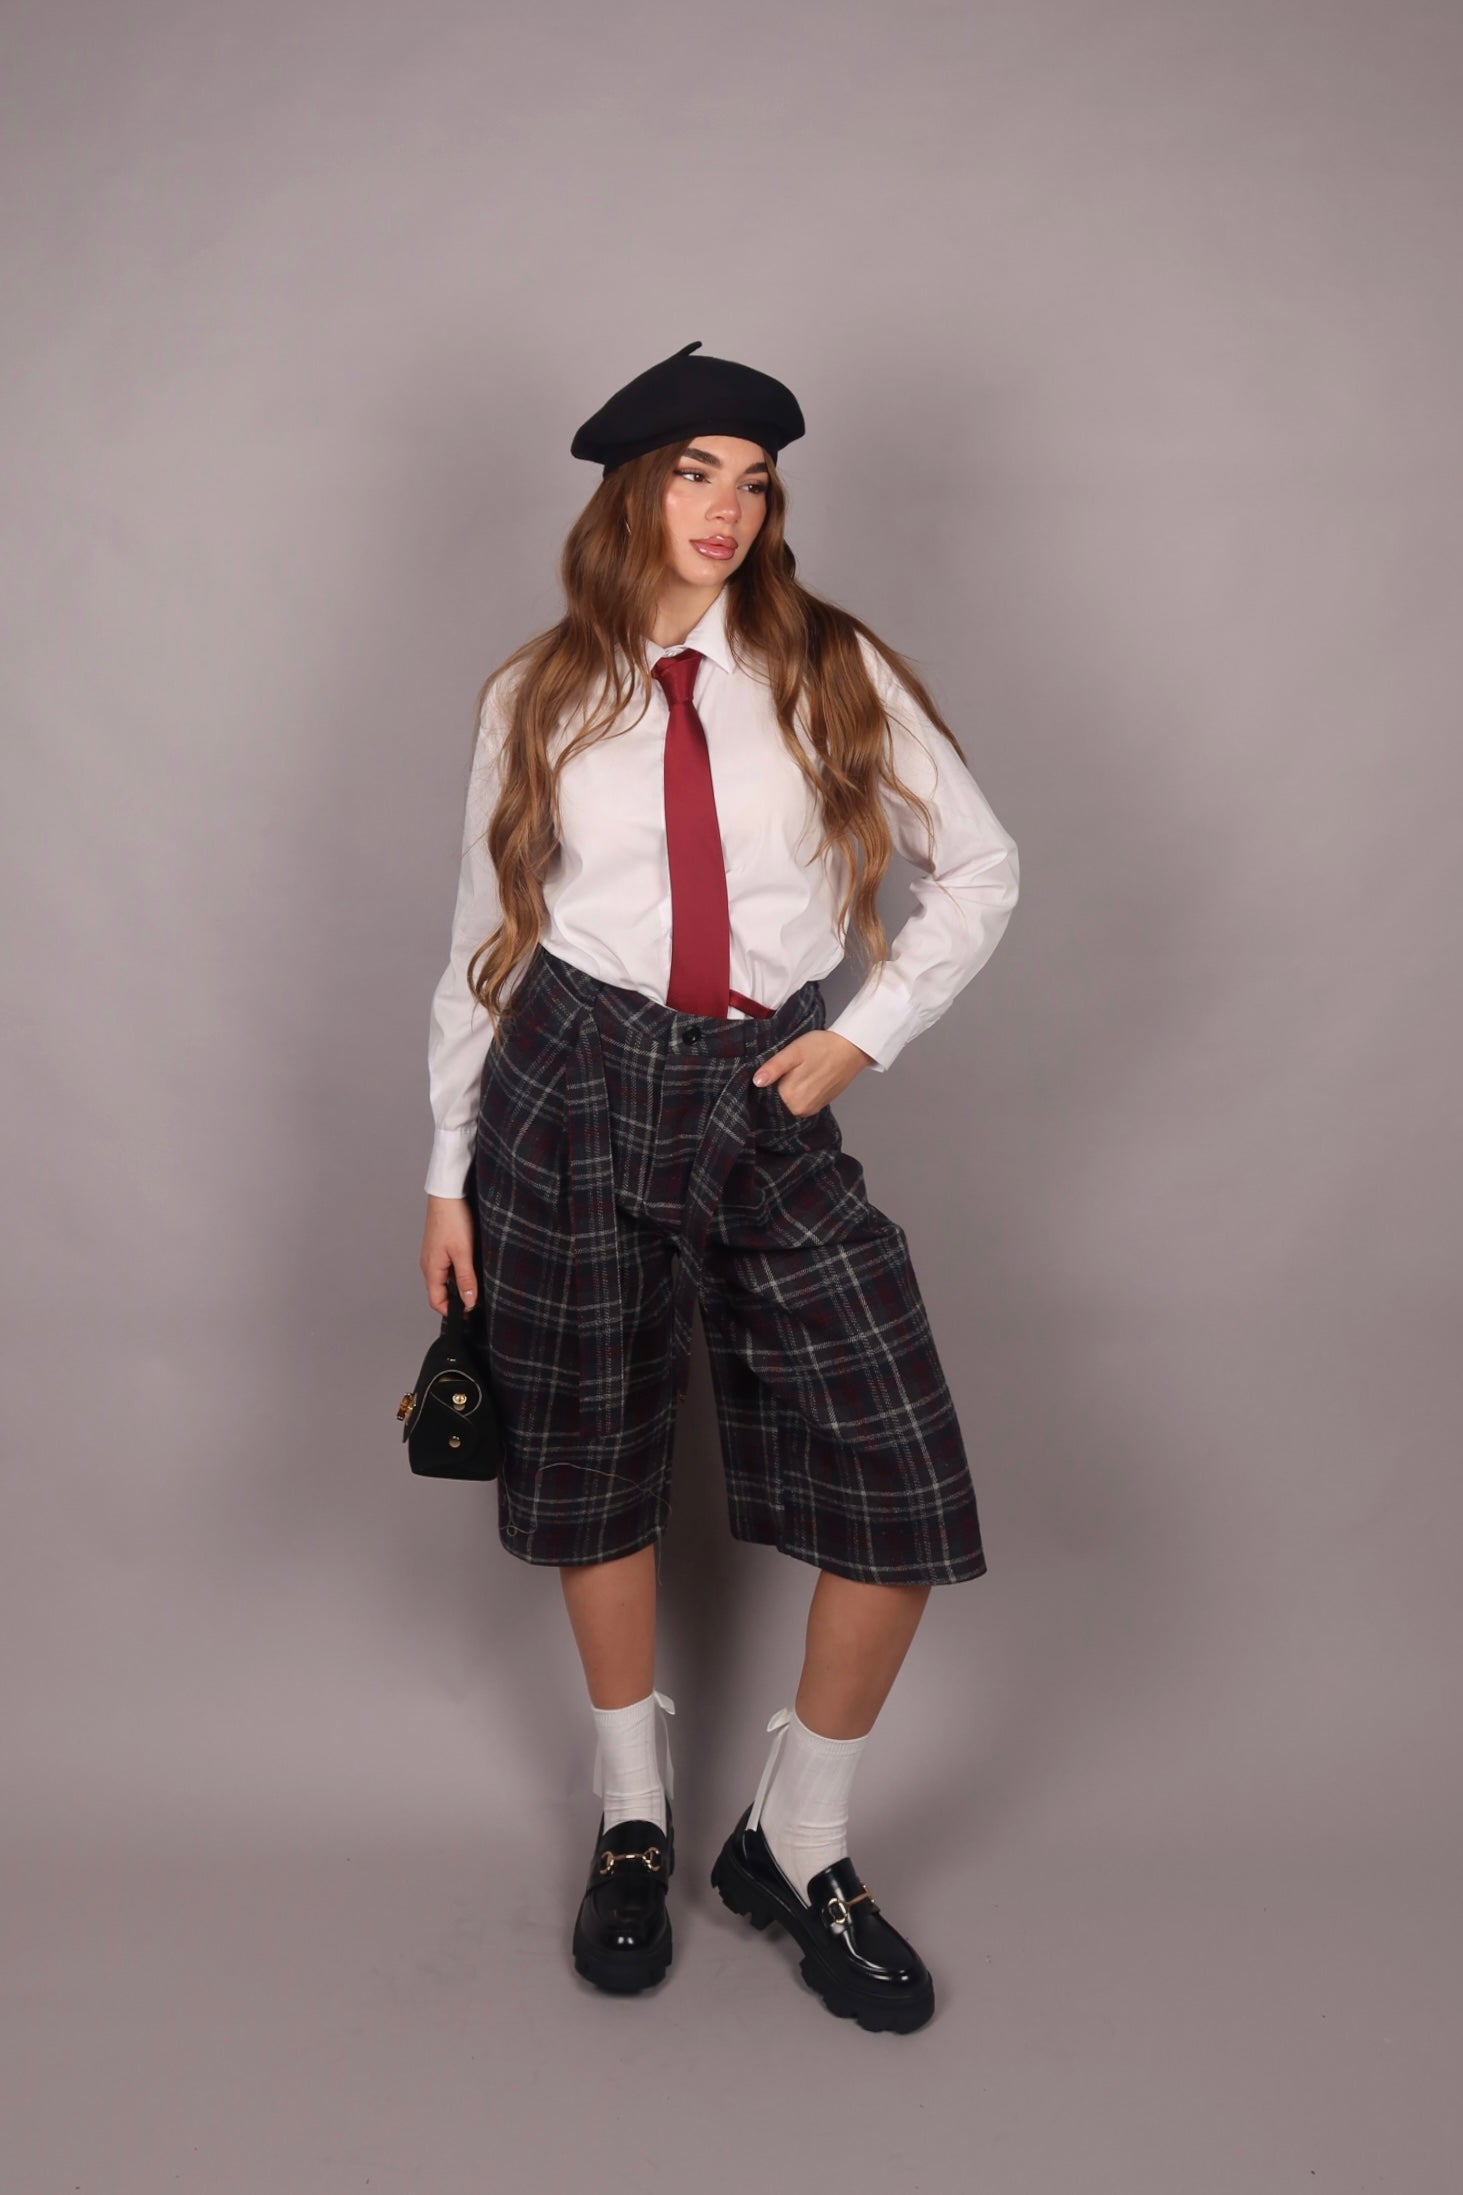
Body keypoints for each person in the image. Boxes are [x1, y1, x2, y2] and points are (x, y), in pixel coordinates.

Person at [419, 340, 1020, 2034]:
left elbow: (981, 867)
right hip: (568, 1085)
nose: (728, 507)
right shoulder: (537, 693)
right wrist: (447, 1170)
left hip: (764, 1096)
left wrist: (865, 1033)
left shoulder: (830, 666)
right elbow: (483, 941)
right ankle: (633, 1820)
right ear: (634, 488)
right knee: (593, 1465)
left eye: (754, 480)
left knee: (902, 1474)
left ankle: (794, 1838)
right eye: (697, 470)